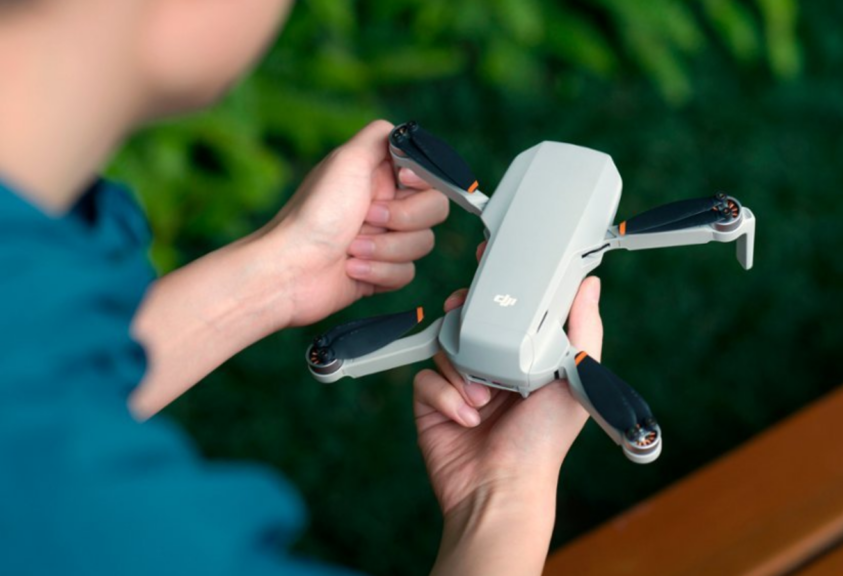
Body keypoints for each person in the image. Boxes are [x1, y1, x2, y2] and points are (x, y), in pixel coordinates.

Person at [0, 2, 604, 575]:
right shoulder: (99, 529)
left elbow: (39, 371)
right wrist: (503, 500)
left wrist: (280, 273)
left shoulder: (35, 271)